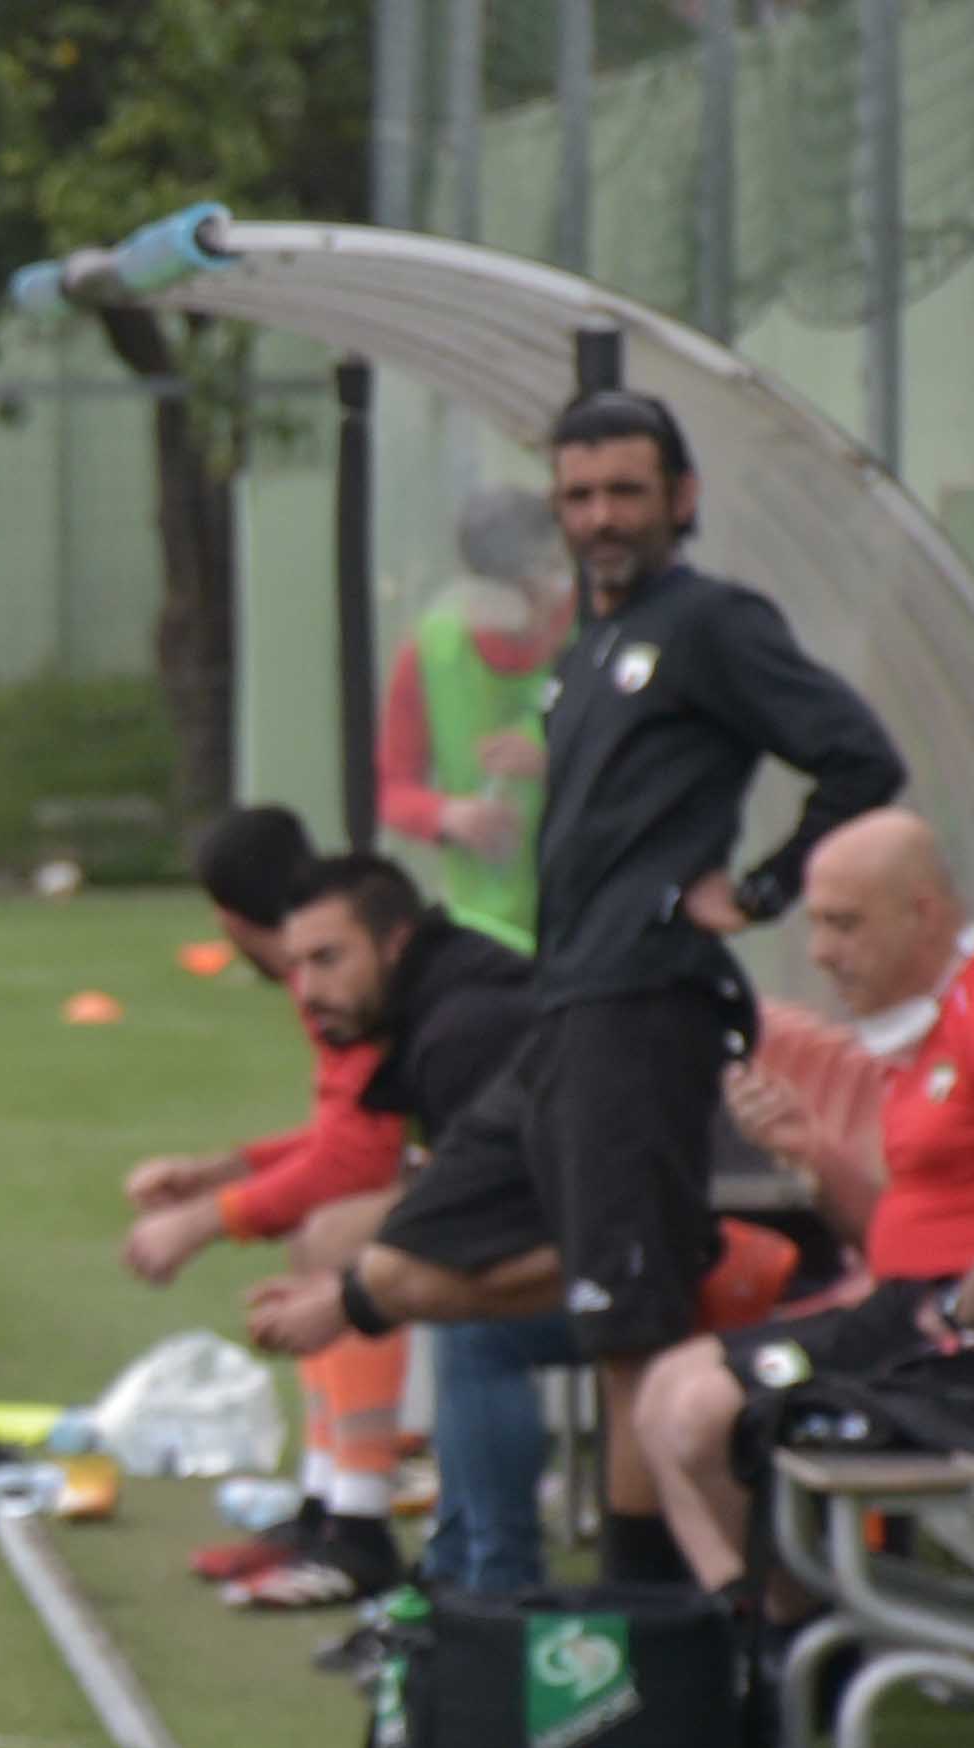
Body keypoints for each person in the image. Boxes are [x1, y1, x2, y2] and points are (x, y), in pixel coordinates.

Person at [241, 390, 906, 1594]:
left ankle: (658, 1618)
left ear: (681, 500)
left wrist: (755, 891)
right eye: (582, 495)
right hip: (567, 1010)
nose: (601, 517)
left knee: (630, 1328)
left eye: (626, 493)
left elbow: (860, 755)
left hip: (644, 1010)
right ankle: (621, 1582)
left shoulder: (709, 623)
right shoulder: (590, 644)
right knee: (423, 1248)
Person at [631, 810, 974, 1649]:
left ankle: (782, 1639)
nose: (823, 952)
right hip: (933, 1318)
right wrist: (810, 1151)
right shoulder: (933, 1032)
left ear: (924, 913)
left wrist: (967, 1311)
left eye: (845, 923)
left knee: (698, 1409)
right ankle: (763, 1632)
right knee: (665, 1394)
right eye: (817, 925)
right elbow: (895, 1242)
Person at [119, 807, 414, 1605]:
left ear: (229, 920)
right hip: (490, 1162)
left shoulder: (327, 980)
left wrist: (206, 1219)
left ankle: (360, 1530)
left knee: (336, 1233)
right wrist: (223, 1172)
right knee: (321, 1233)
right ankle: (328, 1509)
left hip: (527, 1188)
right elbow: (346, 1132)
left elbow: (357, 1158)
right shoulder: (335, 966)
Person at [236, 855, 540, 1612]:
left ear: (394, 944)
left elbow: (463, 1217)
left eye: (328, 960)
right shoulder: (426, 1006)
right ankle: (426, 1557)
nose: (308, 991)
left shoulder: (461, 1027)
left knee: (472, 1318)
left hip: (643, 1259)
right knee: (394, 1264)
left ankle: (488, 1596)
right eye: (297, 965)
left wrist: (344, 1299)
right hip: (591, 1234)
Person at [374, 486, 566, 955]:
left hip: (588, 915)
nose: (527, 604)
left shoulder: (598, 632)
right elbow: (391, 789)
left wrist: (560, 759)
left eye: (540, 580)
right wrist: (448, 816)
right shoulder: (432, 649)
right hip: (486, 928)